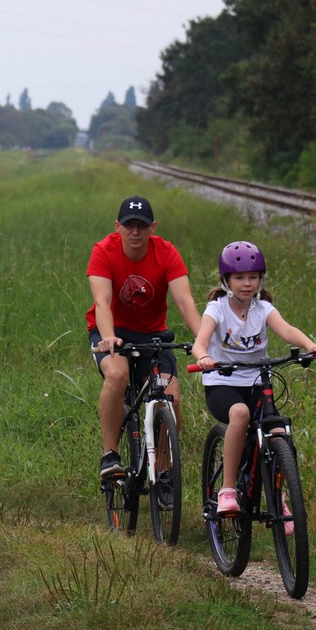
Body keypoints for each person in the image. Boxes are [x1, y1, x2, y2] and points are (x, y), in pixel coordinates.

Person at [190, 241, 316, 515]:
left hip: (256, 382)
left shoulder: (263, 308)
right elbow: (199, 342)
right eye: (240, 277)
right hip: (222, 383)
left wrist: (310, 345)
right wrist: (203, 357)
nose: (247, 284)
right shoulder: (217, 308)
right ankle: (227, 490)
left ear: (260, 279)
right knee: (240, 414)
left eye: (253, 277)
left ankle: (279, 496)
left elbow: (287, 330)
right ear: (226, 280)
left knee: (279, 433)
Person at [86, 195, 203, 481]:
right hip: (112, 331)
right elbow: (102, 302)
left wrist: (203, 341)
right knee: (117, 374)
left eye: (141, 226)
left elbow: (185, 301)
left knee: (172, 399)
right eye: (129, 226)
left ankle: (162, 470)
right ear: (118, 227)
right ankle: (110, 454)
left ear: (153, 227)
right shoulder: (103, 250)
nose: (135, 232)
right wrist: (109, 337)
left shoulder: (166, 252)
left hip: (153, 335)